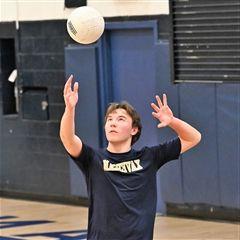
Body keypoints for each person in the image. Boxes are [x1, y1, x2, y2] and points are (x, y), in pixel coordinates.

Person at [60, 75, 201, 240]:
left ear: (134, 129)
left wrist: (172, 121)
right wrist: (70, 109)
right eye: (110, 120)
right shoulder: (93, 159)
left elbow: (193, 137)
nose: (113, 123)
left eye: (120, 119)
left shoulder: (149, 157)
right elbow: (68, 139)